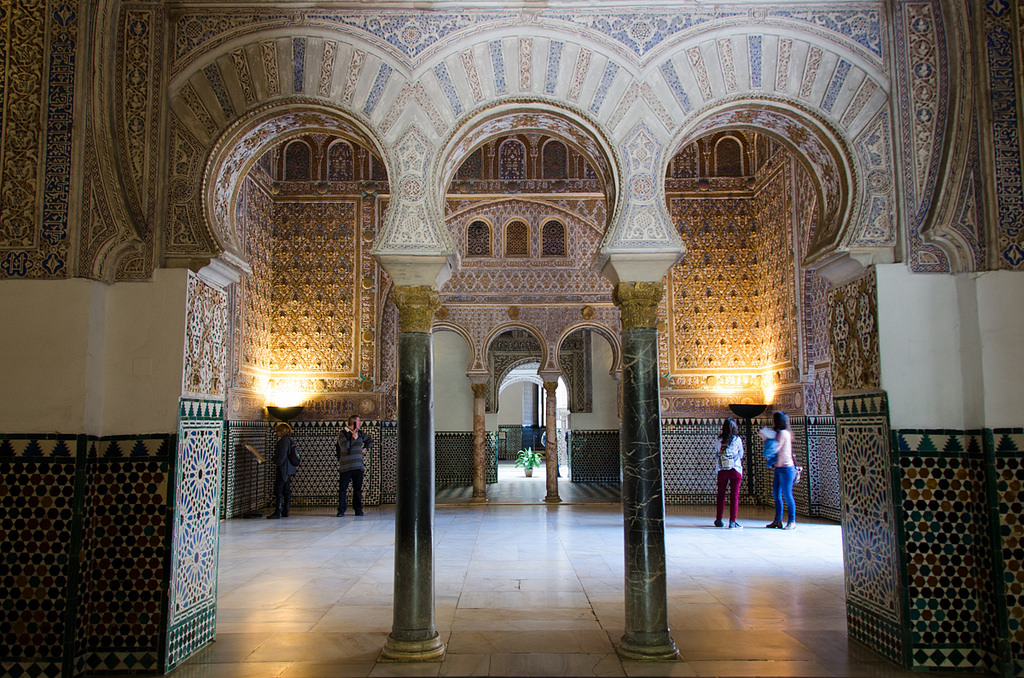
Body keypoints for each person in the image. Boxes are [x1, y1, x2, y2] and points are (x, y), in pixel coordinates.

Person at [760, 411, 797, 530]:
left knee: (787, 495)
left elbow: (775, 448)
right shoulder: (780, 433)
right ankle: (778, 520)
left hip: (787, 469)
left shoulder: (783, 433)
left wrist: (766, 438)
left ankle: (792, 521)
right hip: (779, 468)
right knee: (776, 495)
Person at [336, 415, 371, 516]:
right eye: (359, 421)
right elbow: (344, 448)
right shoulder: (342, 434)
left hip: (358, 466)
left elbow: (369, 440)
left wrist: (365, 448)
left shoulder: (360, 433)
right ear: (353, 423)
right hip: (346, 467)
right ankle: (341, 510)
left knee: (357, 489)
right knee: (343, 489)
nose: (360, 423)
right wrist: (353, 439)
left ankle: (358, 509)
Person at [714, 418, 744, 529]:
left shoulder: (719, 440)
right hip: (735, 470)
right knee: (734, 496)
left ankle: (719, 519)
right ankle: (732, 521)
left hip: (722, 470)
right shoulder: (737, 440)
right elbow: (741, 454)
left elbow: (716, 454)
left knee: (721, 495)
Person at [267, 421, 299, 519]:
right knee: (286, 490)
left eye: (278, 431)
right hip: (289, 469)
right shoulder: (289, 440)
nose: (277, 433)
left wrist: (276, 462)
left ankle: (278, 511)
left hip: (284, 469)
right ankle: (285, 510)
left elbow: (282, 456)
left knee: (280, 490)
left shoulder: (284, 441)